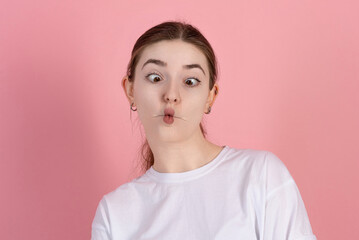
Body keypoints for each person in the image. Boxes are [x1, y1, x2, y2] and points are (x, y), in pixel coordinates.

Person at [91, 21, 317, 240]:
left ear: (211, 96)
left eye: (190, 81)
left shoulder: (261, 175)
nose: (171, 94)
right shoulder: (114, 213)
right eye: (155, 77)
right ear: (130, 90)